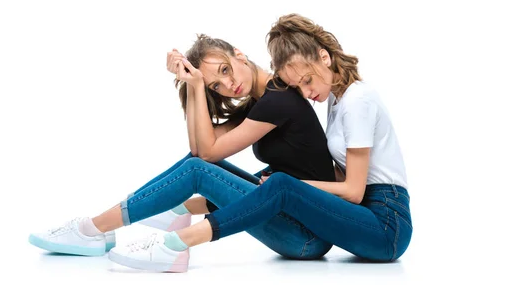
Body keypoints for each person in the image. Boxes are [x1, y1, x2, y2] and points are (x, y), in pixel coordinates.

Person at [106, 14, 412, 272]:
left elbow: (354, 191)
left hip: (386, 224)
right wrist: (194, 85)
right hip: (362, 215)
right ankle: (173, 215)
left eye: (306, 81)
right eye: (298, 85)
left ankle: (174, 242)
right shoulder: (337, 99)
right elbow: (203, 151)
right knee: (245, 175)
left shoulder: (358, 100)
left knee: (276, 182)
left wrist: (291, 185)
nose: (305, 93)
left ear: (324, 57)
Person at [28, 33, 336, 263]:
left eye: (225, 71)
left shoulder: (278, 101)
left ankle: (92, 229)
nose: (227, 86)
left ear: (239, 55)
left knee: (197, 169)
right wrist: (191, 83)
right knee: (196, 164)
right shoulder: (262, 101)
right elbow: (200, 146)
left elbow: (208, 154)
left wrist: (198, 85)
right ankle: (109, 225)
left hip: (306, 236)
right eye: (216, 84)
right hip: (295, 223)